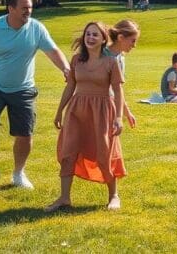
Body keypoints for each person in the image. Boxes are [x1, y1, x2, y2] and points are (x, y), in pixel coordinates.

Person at [0, 0, 71, 194]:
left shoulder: (37, 28)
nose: (29, 11)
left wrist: (65, 67)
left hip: (23, 89)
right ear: (10, 8)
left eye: (30, 7)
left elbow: (53, 51)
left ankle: (19, 173)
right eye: (24, 8)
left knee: (24, 134)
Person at [45, 22, 125, 212]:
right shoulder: (76, 60)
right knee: (68, 152)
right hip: (77, 111)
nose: (90, 38)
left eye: (95, 35)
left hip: (102, 111)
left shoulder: (111, 62)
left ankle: (114, 195)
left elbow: (118, 91)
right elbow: (70, 86)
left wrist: (119, 117)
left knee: (104, 154)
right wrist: (59, 111)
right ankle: (64, 198)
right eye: (88, 34)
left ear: (103, 39)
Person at [103, 19, 140, 130]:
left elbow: (117, 89)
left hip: (110, 106)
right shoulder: (101, 55)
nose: (134, 45)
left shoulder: (120, 58)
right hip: (98, 105)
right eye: (133, 41)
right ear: (120, 38)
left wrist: (127, 112)